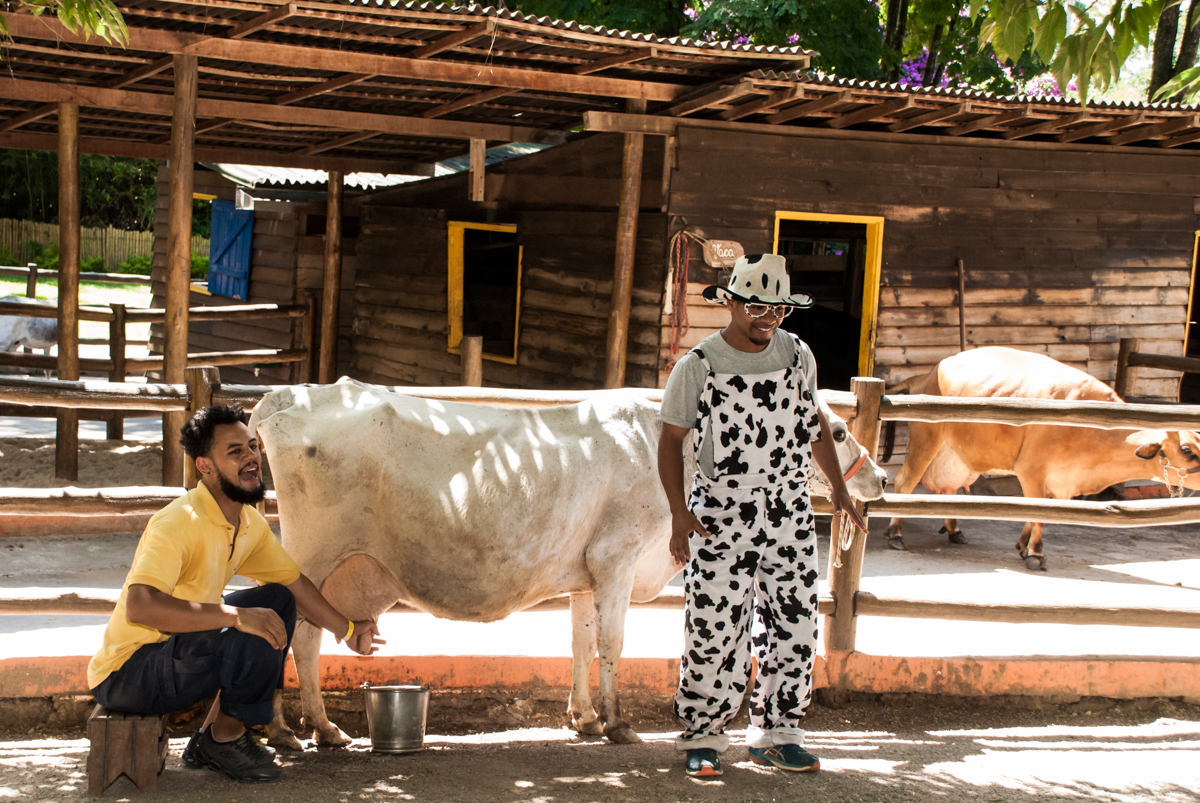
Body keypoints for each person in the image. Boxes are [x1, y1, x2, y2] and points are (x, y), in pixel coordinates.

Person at [87, 404, 384, 783]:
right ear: (205, 467)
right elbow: (141, 607)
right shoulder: (178, 522)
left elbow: (295, 585)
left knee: (277, 601)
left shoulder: (247, 523)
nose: (251, 458)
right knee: (245, 629)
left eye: (252, 447)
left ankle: (211, 737)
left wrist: (347, 629)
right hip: (128, 673)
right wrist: (236, 617)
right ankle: (223, 740)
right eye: (235, 452)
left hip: (176, 654)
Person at [657, 253, 866, 779]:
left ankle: (778, 736)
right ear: (729, 302)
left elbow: (813, 421)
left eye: (777, 309)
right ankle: (703, 736)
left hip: (789, 510)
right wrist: (680, 514)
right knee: (715, 626)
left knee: (794, 623)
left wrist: (838, 491)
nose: (766, 317)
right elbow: (671, 441)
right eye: (754, 306)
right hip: (721, 511)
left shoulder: (798, 354)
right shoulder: (698, 365)